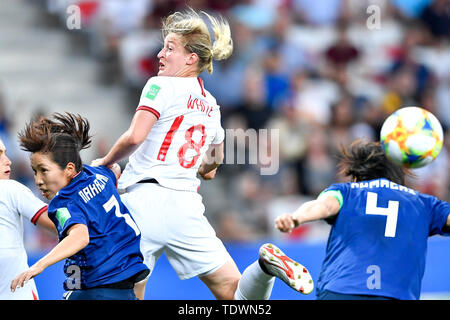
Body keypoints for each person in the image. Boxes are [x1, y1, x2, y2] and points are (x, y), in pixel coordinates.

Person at [91, 9, 314, 300]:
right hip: (186, 206)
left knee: (126, 292)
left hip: (143, 201)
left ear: (191, 58)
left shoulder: (160, 85)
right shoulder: (211, 106)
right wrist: (189, 165)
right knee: (235, 294)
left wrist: (105, 162)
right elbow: (210, 168)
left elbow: (135, 136)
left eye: (170, 48)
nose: (160, 54)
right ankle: (262, 268)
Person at [275, 139, 450, 300]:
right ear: (400, 176)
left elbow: (325, 206)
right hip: (395, 295)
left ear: (357, 176)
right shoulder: (425, 204)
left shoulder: (347, 191)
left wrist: (296, 217)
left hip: (341, 290)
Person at [11, 113, 149, 300]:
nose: (38, 181)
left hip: (96, 290)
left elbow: (79, 237)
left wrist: (39, 265)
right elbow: (114, 169)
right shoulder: (98, 174)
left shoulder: (63, 203)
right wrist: (108, 165)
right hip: (124, 285)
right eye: (35, 172)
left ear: (68, 169)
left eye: (44, 170)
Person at [0, 138, 55, 300]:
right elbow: (61, 223)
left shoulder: (11, 189)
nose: (8, 161)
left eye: (5, 153)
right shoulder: (10, 189)